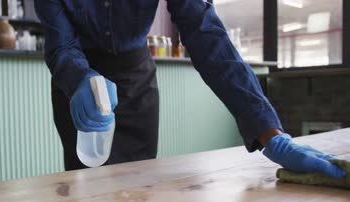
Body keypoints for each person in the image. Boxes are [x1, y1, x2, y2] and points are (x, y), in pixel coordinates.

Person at [34, 0, 346, 177]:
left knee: (137, 192)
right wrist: (78, 80)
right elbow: (61, 45)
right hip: (79, 86)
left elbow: (205, 32)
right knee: (86, 189)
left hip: (135, 79)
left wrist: (269, 133)